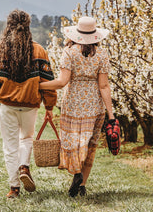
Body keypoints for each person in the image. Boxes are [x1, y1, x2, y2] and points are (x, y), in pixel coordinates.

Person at [0, 9, 57, 198]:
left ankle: (14, 188)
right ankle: (24, 166)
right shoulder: (39, 51)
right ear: (28, 26)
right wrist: (49, 106)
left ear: (8, 25)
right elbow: (48, 82)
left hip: (8, 105)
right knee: (26, 138)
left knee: (10, 146)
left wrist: (1, 94)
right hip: (30, 105)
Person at [39, 16, 115, 197]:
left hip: (73, 103)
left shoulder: (69, 52)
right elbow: (104, 86)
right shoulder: (102, 54)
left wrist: (38, 85)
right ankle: (82, 185)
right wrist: (111, 114)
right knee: (89, 145)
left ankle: (77, 173)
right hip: (94, 105)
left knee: (73, 143)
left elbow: (62, 82)